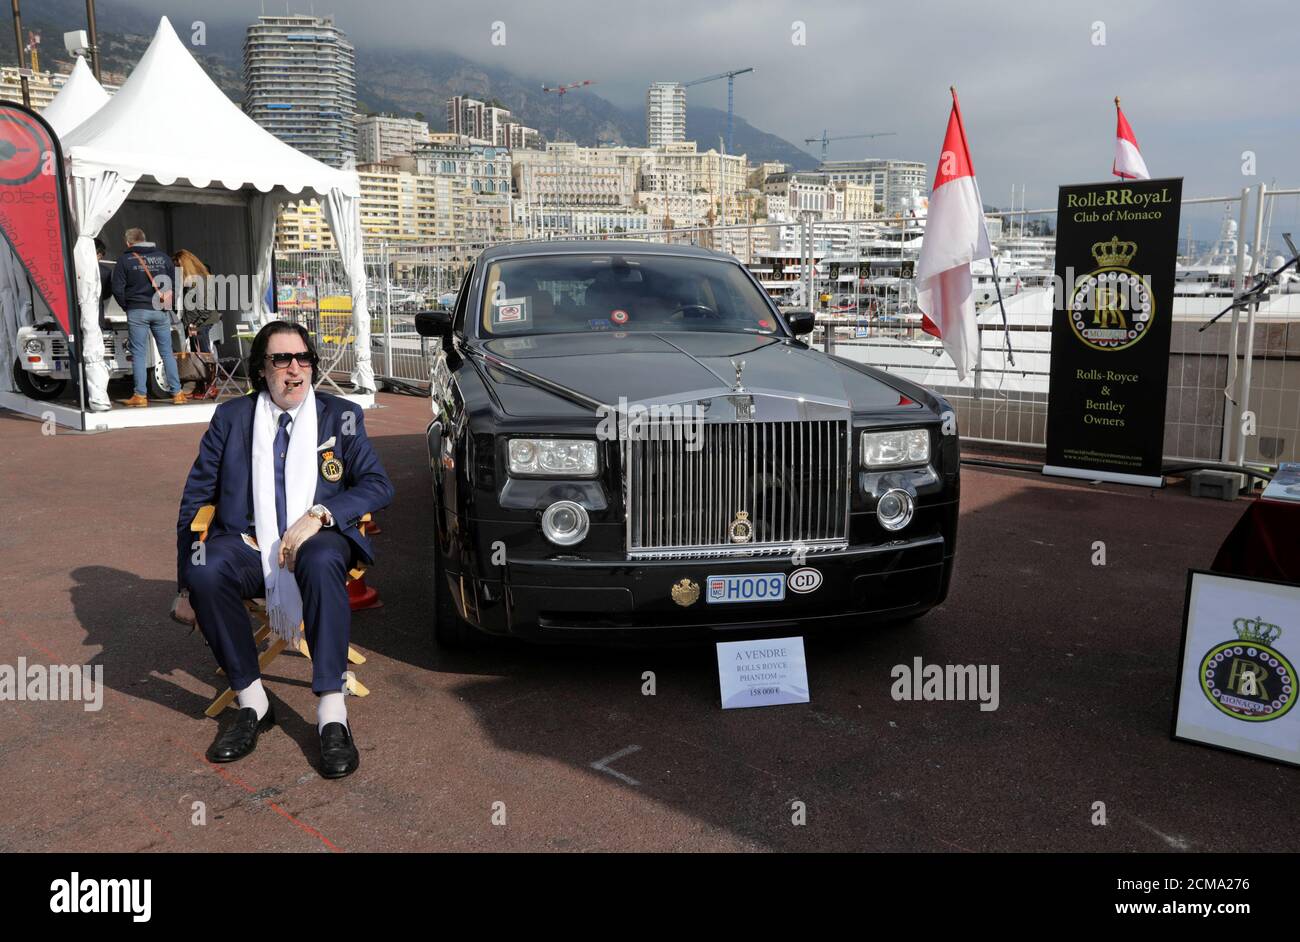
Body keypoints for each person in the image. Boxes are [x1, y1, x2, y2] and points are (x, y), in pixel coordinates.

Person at [172, 321, 394, 778]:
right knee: (207, 571)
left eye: (303, 359)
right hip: (247, 544)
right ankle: (253, 704)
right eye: (281, 359)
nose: (295, 369)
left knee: (321, 557)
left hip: (318, 539)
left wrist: (319, 515)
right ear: (261, 369)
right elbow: (196, 502)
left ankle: (332, 714)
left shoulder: (341, 415)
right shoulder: (232, 418)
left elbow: (376, 484)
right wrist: (183, 583)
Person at [111, 227, 187, 406]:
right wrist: (167, 303)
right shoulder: (163, 258)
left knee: (138, 353)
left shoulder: (124, 260)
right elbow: (175, 285)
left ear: (128, 242)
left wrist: (127, 306)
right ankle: (177, 393)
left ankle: (140, 396)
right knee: (167, 352)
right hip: (160, 310)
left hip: (137, 309)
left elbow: (117, 288)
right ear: (145, 239)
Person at [173, 249, 218, 400]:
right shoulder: (197, 279)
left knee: (202, 355)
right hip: (198, 322)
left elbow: (206, 308)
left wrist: (194, 324)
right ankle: (202, 385)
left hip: (202, 322)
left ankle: (209, 386)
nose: (176, 268)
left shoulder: (199, 281)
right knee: (198, 354)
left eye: (177, 264)